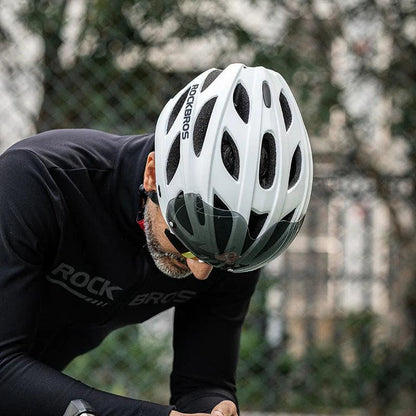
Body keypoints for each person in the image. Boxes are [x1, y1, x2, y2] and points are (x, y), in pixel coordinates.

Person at [0, 63, 313, 416]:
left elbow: (202, 384)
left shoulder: (234, 241)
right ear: (152, 176)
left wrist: (214, 407)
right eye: (191, 244)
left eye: (220, 262)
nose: (201, 274)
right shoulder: (37, 182)